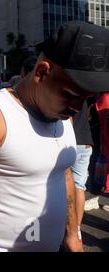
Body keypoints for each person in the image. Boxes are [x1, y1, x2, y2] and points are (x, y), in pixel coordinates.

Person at [0, 21, 109, 252]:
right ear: (42, 72)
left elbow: (63, 174)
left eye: (84, 98)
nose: (76, 107)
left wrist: (72, 234)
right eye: (69, 95)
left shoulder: (63, 115)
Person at [70, 101, 93, 240]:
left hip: (69, 142)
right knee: (79, 187)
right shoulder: (83, 95)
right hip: (86, 142)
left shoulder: (64, 92)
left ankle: (64, 226)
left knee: (60, 184)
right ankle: (76, 229)